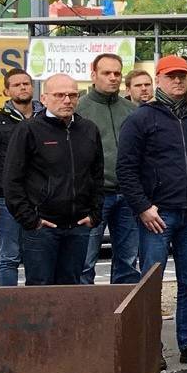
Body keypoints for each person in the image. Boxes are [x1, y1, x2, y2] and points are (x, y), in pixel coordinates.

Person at [118, 56, 187, 366]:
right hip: (158, 215)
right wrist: (143, 207)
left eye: (182, 76)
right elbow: (126, 168)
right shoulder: (141, 119)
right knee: (151, 285)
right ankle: (151, 347)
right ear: (159, 79)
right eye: (171, 76)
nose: (178, 81)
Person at [3, 73, 101, 286]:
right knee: (40, 291)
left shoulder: (88, 129)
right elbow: (12, 180)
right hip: (43, 227)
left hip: (78, 226)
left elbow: (97, 176)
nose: (67, 100)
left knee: (71, 291)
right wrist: (31, 220)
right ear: (44, 98)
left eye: (73, 95)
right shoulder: (29, 130)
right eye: (59, 95)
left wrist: (94, 214)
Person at [78, 53, 140, 286]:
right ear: (93, 75)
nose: (113, 78)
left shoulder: (132, 110)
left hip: (128, 195)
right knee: (85, 261)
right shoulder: (79, 109)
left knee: (128, 261)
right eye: (107, 73)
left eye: (117, 73)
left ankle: (123, 308)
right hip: (94, 197)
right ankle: (87, 308)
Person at [0, 67, 38, 286]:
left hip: (40, 200)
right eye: (16, 85)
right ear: (7, 91)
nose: (23, 88)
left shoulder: (45, 119)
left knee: (38, 257)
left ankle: (37, 301)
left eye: (26, 83)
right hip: (6, 200)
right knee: (9, 257)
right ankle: (7, 302)